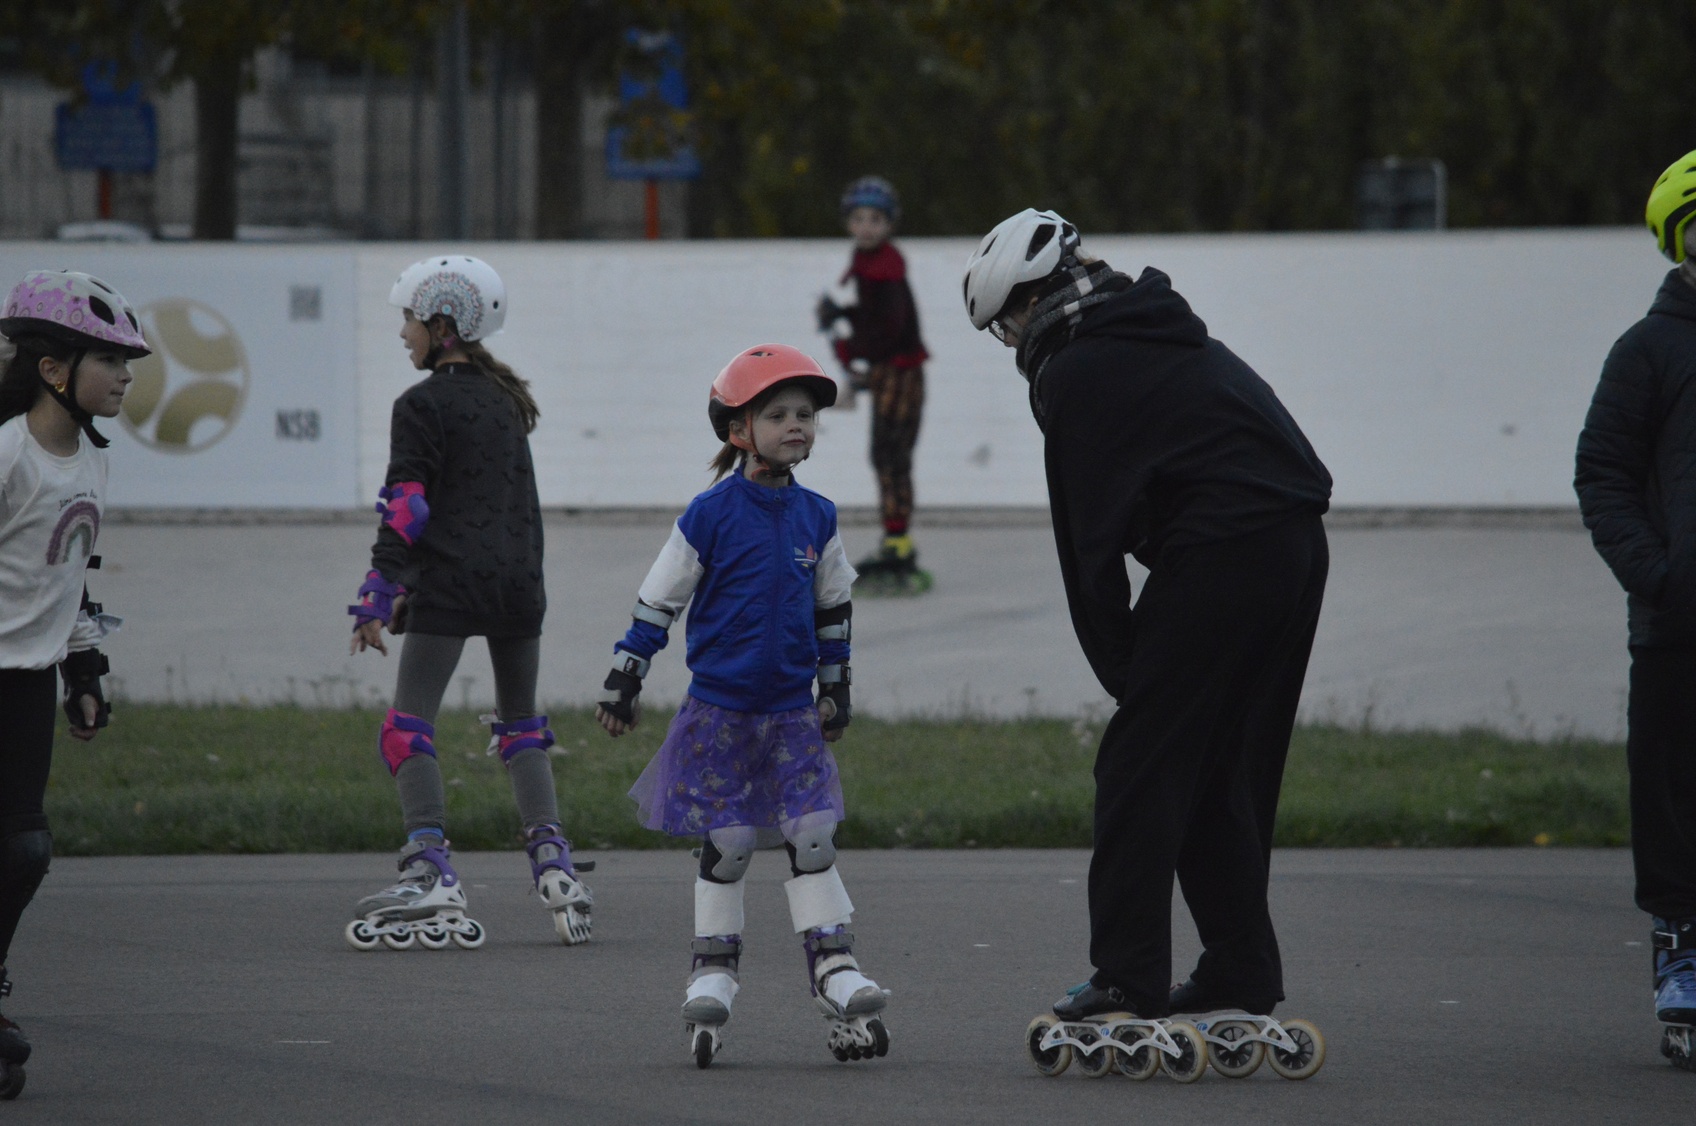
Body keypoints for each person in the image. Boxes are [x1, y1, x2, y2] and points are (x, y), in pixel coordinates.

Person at [962, 210, 1333, 1028]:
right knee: (1216, 766)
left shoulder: (1075, 368)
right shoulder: (1155, 325)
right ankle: (1239, 968)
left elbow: (1086, 542)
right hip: (1296, 544)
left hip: (1225, 549)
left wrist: (1126, 674)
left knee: (1136, 767)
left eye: (1008, 322)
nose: (1012, 342)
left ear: (1033, 300)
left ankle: (1126, 978)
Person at [594, 343, 889, 1068]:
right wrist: (625, 679)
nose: (797, 425)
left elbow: (833, 608)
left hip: (791, 714)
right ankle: (713, 974)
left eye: (806, 414)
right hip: (719, 713)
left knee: (812, 836)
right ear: (737, 430)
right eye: (778, 414)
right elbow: (658, 601)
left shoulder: (818, 516)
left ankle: (835, 968)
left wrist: (835, 688)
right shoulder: (709, 515)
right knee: (728, 845)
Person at [344, 255, 592, 952]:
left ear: (443, 324)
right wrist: (410, 588)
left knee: (406, 729)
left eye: (409, 320)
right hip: (519, 585)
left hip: (453, 583)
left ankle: (429, 869)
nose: (403, 334)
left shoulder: (419, 405)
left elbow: (409, 508)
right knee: (521, 728)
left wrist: (379, 591)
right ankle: (555, 865)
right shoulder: (505, 400)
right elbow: (486, 503)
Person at [0, 269, 148, 1098]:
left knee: (23, 852)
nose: (125, 376)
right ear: (53, 369)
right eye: (111, 360)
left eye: (127, 363)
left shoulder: (90, 458)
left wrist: (83, 667)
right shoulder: (7, 455)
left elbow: (70, 574)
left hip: (24, 682)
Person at [1575, 148, 1696, 1071]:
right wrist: (1658, 577)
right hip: (1677, 625)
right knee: (1673, 797)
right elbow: (1604, 476)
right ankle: (1682, 948)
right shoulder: (1648, 350)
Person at [816, 176, 931, 590]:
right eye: (859, 218)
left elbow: (890, 330)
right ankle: (895, 538)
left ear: (889, 224)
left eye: (875, 219)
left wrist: (850, 344)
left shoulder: (885, 269)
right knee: (885, 456)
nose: (866, 227)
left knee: (890, 455)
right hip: (890, 372)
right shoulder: (871, 264)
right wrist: (844, 316)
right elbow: (874, 321)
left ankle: (898, 541)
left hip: (899, 374)